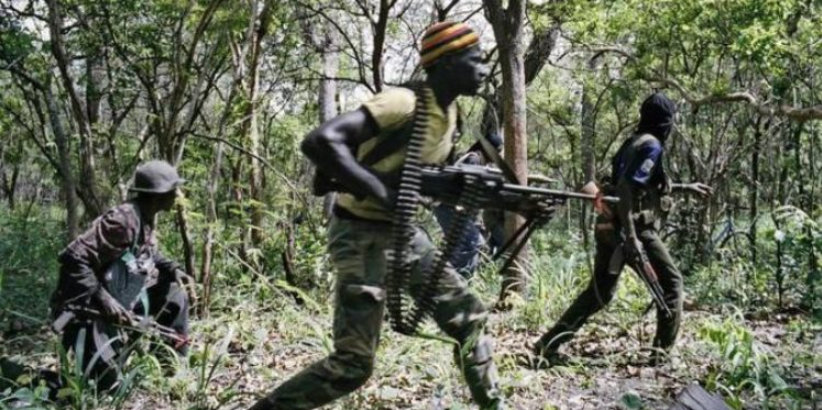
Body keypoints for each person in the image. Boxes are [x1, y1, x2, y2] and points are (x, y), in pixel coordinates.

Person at [250, 21, 504, 410]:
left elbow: (417, 177)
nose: (484, 69)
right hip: (360, 233)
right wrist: (380, 190)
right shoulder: (404, 102)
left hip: (403, 233)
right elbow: (320, 141)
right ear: (448, 62)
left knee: (468, 319)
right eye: (476, 60)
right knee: (353, 365)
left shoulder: (449, 115)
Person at [531, 93, 712, 366]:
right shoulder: (652, 146)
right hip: (634, 229)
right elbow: (627, 187)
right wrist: (631, 237)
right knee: (673, 284)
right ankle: (660, 357)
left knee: (600, 293)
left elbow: (641, 185)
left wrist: (688, 188)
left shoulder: (633, 142)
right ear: (665, 122)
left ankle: (548, 344)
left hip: (609, 227)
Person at [49, 160, 192, 390]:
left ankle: (171, 368)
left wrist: (173, 268)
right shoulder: (123, 220)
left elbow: (147, 254)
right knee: (103, 385)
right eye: (173, 190)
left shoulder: (146, 218)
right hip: (88, 308)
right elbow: (72, 257)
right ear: (159, 195)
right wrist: (104, 300)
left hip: (122, 296)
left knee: (174, 294)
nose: (177, 195)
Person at [433, 132, 503, 278]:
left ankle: (449, 281)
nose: (497, 156)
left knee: (465, 245)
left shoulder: (478, 160)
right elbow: (469, 188)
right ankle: (455, 282)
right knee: (472, 242)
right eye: (496, 151)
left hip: (451, 209)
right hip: (449, 208)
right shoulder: (474, 159)